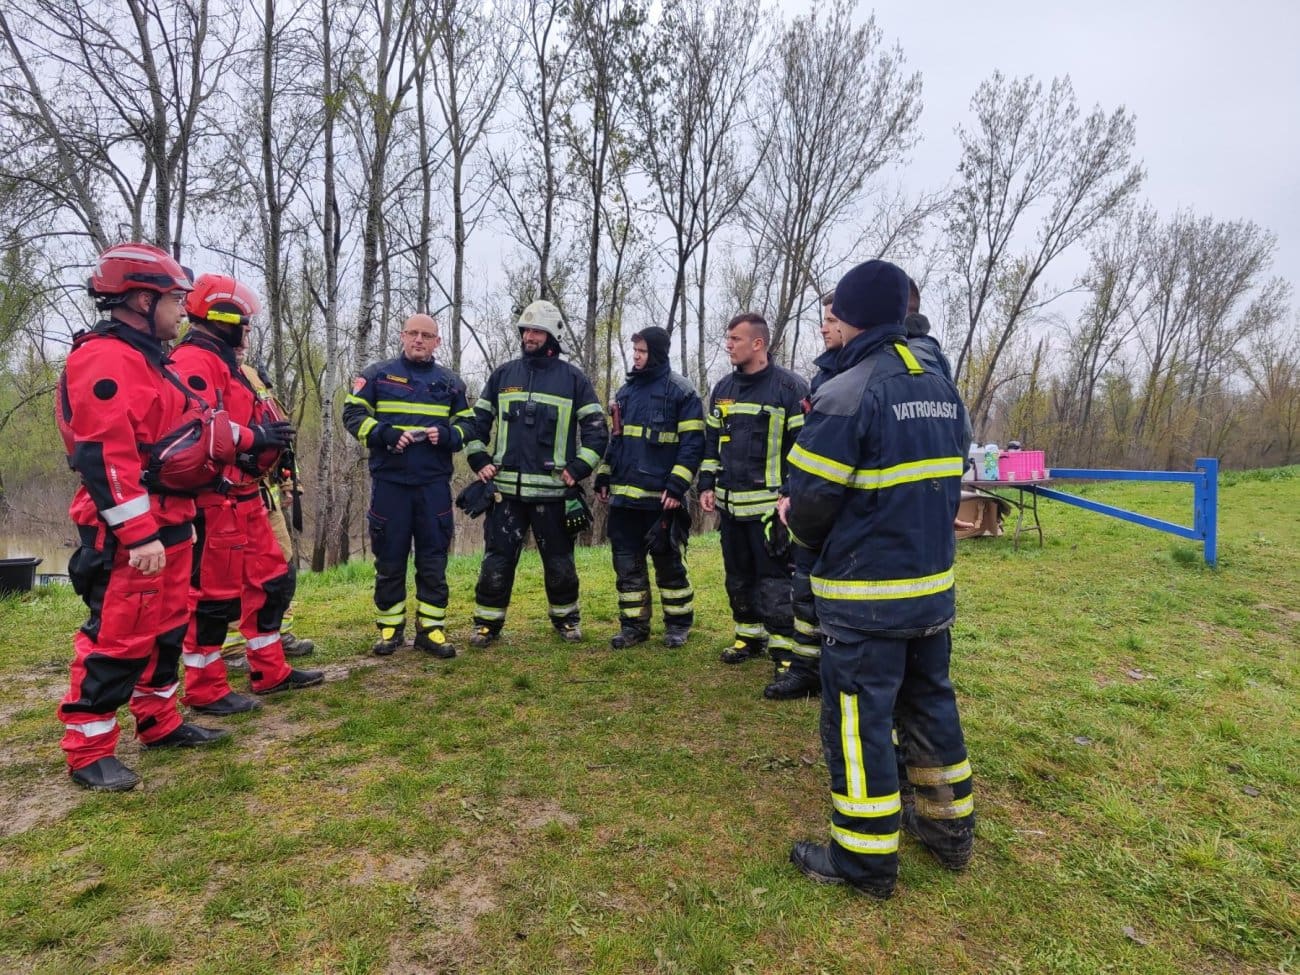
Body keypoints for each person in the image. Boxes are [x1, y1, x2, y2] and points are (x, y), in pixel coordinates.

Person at [785, 258, 974, 900]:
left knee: (859, 726)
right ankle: (949, 832)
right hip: (930, 587)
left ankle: (864, 862)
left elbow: (810, 504)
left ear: (853, 315)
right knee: (930, 704)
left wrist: (794, 525)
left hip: (866, 602)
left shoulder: (847, 392)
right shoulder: (941, 384)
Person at [54, 243, 229, 791]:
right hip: (130, 526)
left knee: (168, 626)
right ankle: (88, 748)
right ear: (139, 299)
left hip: (169, 516)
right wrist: (137, 532)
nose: (182, 310)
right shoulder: (105, 359)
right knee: (119, 634)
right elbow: (104, 455)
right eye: (175, 300)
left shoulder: (150, 359)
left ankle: (158, 720)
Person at [171, 274, 324, 712]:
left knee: (272, 580)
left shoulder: (229, 364)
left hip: (248, 494)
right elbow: (199, 431)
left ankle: (270, 670)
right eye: (245, 322)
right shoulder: (195, 363)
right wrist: (254, 439)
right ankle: (205, 688)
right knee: (213, 598)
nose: (249, 330)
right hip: (215, 498)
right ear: (224, 319)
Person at [455, 300, 609, 646]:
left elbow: (598, 430)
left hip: (554, 495)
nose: (529, 336)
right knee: (496, 561)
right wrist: (480, 461)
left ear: (552, 334)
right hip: (505, 493)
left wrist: (579, 468)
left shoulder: (573, 379)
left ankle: (567, 620)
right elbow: (475, 424)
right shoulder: (503, 375)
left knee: (559, 563)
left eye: (537, 330)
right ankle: (486, 624)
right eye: (526, 330)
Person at [343, 313, 470, 657]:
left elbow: (469, 427)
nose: (419, 340)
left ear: (437, 342)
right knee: (390, 558)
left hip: (433, 486)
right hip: (390, 484)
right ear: (402, 336)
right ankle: (389, 628)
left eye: (426, 335)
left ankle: (431, 629)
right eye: (413, 333)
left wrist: (445, 435)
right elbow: (352, 415)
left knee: (433, 559)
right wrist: (385, 435)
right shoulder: (376, 375)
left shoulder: (451, 383)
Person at [697, 313, 808, 676]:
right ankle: (748, 635)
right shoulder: (722, 389)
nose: (728, 345)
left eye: (735, 339)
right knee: (738, 575)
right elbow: (712, 442)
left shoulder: (790, 389)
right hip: (730, 508)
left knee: (774, 579)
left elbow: (804, 449)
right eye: (728, 338)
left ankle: (784, 647)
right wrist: (706, 484)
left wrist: (790, 494)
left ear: (758, 344)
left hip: (769, 511)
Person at [594, 326, 704, 649]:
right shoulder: (625, 393)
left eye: (641, 351)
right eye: (634, 351)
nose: (636, 357)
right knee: (627, 567)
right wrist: (604, 475)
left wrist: (677, 485)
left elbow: (692, 445)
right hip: (624, 501)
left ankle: (678, 625)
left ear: (655, 352)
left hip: (662, 501)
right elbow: (616, 441)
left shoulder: (682, 393)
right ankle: (633, 627)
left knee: (669, 565)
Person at [766, 293, 844, 699]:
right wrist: (788, 490)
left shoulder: (859, 377)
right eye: (823, 319)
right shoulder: (823, 376)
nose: (824, 326)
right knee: (804, 589)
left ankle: (833, 670)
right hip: (809, 501)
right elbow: (806, 445)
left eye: (832, 319)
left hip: (843, 508)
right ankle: (805, 669)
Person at [221, 355, 315, 671]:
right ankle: (233, 648)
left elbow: (279, 432)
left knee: (281, 567)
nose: (243, 341)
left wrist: (290, 480)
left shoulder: (252, 376)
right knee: (236, 574)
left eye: (247, 331)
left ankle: (278, 634)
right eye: (239, 330)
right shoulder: (208, 374)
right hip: (228, 495)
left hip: (263, 493)